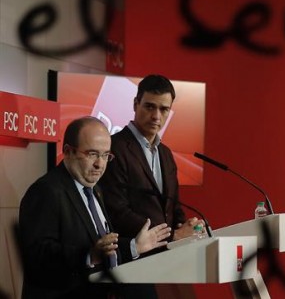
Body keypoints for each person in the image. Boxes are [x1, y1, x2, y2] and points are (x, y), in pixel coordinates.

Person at [19, 117, 171, 299]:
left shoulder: (95, 190)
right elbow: (38, 256)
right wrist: (89, 255)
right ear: (68, 151)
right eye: (92, 154)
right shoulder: (46, 191)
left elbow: (102, 245)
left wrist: (134, 246)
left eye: (106, 155)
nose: (100, 164)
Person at [99, 74, 201, 245]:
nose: (156, 116)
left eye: (163, 109)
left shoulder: (166, 154)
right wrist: (170, 235)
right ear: (135, 104)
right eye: (149, 107)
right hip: (134, 255)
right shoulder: (114, 147)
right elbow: (116, 210)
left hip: (168, 253)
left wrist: (186, 227)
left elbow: (173, 207)